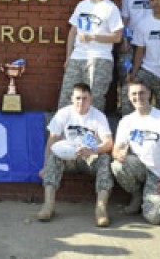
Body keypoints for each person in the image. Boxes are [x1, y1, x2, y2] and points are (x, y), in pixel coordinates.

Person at [111, 79, 160, 224]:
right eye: (134, 94)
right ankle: (137, 196)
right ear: (129, 96)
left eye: (142, 93)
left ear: (149, 94)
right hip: (141, 168)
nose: (138, 97)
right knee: (117, 165)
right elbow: (116, 149)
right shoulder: (126, 121)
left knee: (155, 217)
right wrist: (118, 155)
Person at [38, 83, 114, 226]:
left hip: (89, 157)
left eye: (84, 98)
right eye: (78, 98)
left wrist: (92, 150)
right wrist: (45, 166)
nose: (81, 102)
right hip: (69, 158)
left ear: (90, 98)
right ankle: (48, 206)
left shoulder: (98, 116)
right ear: (72, 98)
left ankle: (101, 209)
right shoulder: (63, 113)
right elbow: (52, 139)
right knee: (55, 155)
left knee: (104, 159)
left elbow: (109, 143)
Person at [57, 0, 123, 112]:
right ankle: (63, 132)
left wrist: (93, 37)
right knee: (67, 97)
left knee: (94, 100)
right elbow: (73, 32)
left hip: (100, 58)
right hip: (78, 56)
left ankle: (93, 133)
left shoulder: (111, 8)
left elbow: (117, 36)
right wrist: (68, 56)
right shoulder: (82, 5)